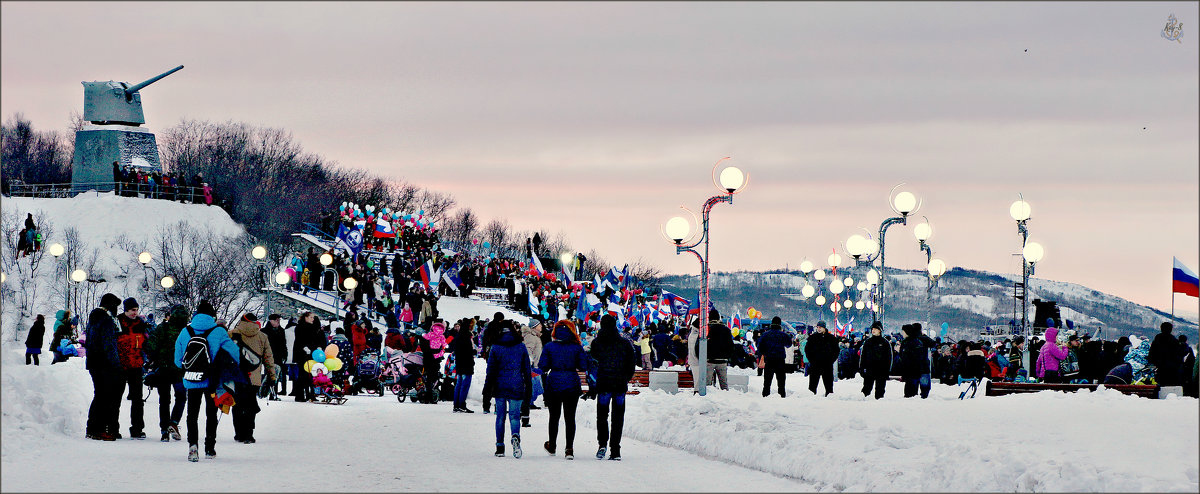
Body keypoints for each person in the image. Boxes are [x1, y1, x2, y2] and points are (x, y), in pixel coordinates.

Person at [174, 300, 240, 462]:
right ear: (212, 315)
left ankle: (192, 446)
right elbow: (235, 354)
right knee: (211, 413)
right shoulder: (219, 331)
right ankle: (210, 447)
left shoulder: (185, 331)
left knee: (192, 414)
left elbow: (177, 360)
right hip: (212, 379)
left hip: (192, 378)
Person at [588, 314, 637, 461]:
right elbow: (631, 364)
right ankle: (615, 450)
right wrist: (625, 378)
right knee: (618, 417)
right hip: (620, 384)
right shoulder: (624, 343)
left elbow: (593, 363)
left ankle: (602, 444)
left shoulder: (597, 343)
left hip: (603, 384)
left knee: (602, 416)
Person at [539, 320, 588, 460]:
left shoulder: (549, 346)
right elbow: (583, 366)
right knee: (570, 417)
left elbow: (543, 367)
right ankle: (569, 449)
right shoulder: (577, 347)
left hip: (553, 383)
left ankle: (552, 445)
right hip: (572, 383)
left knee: (554, 417)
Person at [484, 320, 532, 458]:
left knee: (500, 416)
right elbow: (526, 369)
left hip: (499, 385)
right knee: (514, 415)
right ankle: (515, 437)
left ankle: (500, 447)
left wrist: (488, 389)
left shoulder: (495, 346)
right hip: (516, 383)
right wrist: (528, 386)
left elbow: (490, 370)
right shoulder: (520, 346)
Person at [229, 313, 276, 444]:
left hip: (236, 376)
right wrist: (272, 376)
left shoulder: (232, 334)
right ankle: (249, 433)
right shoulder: (262, 336)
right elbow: (268, 358)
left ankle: (239, 433)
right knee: (250, 405)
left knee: (237, 405)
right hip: (253, 377)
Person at [146, 305, 189, 442]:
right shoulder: (188, 331)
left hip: (162, 369)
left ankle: (164, 430)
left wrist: (153, 360)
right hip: (180, 370)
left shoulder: (162, 328)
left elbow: (151, 346)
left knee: (164, 400)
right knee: (181, 397)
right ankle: (174, 422)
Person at [84, 293, 123, 441]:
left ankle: (92, 428)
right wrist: (116, 364)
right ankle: (98, 429)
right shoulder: (106, 320)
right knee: (104, 396)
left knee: (99, 395)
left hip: (94, 362)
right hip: (105, 364)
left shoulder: (93, 318)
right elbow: (109, 345)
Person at [115, 298, 149, 439]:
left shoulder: (140, 324)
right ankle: (113, 427)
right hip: (121, 366)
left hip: (135, 365)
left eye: (136, 310)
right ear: (126, 310)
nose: (135, 313)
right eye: (132, 310)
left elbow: (146, 343)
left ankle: (137, 428)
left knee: (137, 399)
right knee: (116, 398)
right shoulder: (117, 323)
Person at [696, 309, 733, 391]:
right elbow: (731, 346)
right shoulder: (726, 330)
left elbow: (699, 344)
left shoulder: (706, 329)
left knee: (707, 385)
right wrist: (728, 356)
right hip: (722, 360)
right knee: (724, 385)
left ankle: (707, 400)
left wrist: (700, 358)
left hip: (709, 360)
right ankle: (726, 400)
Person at [755, 316, 793, 397]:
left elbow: (760, 347)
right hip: (780, 360)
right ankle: (782, 395)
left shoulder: (765, 334)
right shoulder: (783, 335)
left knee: (767, 382)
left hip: (769, 360)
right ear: (780, 324)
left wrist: (765, 353)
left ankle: (765, 396)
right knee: (781, 382)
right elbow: (789, 344)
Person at [292, 312, 325, 402]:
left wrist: (318, 346)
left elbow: (316, 339)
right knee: (303, 374)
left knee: (311, 374)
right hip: (302, 354)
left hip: (312, 353)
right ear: (305, 317)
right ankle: (300, 395)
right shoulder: (300, 327)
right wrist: (304, 347)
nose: (312, 319)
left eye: (313, 317)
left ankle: (311, 394)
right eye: (311, 317)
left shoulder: (313, 327)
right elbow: (299, 339)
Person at [899, 324, 937, 398]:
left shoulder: (908, 341)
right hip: (924, 366)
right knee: (925, 389)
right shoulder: (923, 338)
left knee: (912, 389)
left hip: (914, 369)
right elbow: (933, 343)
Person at [859, 321, 892, 399]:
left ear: (880, 330)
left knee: (880, 390)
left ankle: (879, 404)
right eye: (872, 329)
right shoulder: (868, 342)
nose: (873, 330)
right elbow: (863, 356)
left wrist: (887, 370)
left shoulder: (885, 343)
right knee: (866, 389)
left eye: (875, 329)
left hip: (881, 370)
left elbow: (889, 358)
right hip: (870, 369)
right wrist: (861, 368)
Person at [805, 321, 838, 396]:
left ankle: (829, 397)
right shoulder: (812, 338)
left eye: (820, 327)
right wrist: (811, 360)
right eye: (817, 327)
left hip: (827, 364)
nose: (818, 329)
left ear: (824, 328)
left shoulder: (831, 338)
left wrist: (831, 360)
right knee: (812, 384)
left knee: (828, 384)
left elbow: (836, 350)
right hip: (815, 364)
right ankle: (811, 398)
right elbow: (807, 350)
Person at [451, 320, 477, 413]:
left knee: (459, 384)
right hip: (467, 363)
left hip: (459, 363)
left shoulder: (459, 335)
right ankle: (462, 404)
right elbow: (467, 351)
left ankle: (456, 405)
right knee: (464, 385)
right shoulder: (466, 336)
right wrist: (473, 352)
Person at [261, 314, 289, 399]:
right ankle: (265, 392)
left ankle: (274, 393)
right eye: (276, 320)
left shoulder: (281, 330)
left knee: (276, 374)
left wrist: (285, 354)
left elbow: (284, 344)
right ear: (271, 321)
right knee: (267, 375)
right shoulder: (264, 331)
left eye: (279, 320)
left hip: (278, 356)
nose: (278, 322)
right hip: (267, 355)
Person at [1148, 322, 1183, 386]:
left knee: (1160, 384)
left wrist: (1153, 362)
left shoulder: (1157, 339)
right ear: (1171, 329)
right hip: (1172, 368)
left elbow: (1152, 353)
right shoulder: (1174, 340)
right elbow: (1178, 355)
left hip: (1159, 367)